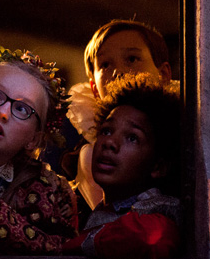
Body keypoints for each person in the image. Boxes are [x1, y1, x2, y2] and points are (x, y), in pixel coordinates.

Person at [0, 48, 78, 255]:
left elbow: (62, 248)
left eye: (22, 109)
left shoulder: (49, 190)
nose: (3, 113)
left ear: (33, 139)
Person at [62, 19, 174, 225]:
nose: (118, 72)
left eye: (132, 59)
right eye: (105, 65)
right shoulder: (94, 155)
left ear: (164, 73)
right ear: (94, 87)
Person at [63, 73, 182, 259]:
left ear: (158, 166)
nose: (110, 142)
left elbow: (154, 237)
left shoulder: (156, 210)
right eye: (106, 130)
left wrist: (73, 245)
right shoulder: (96, 210)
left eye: (132, 138)